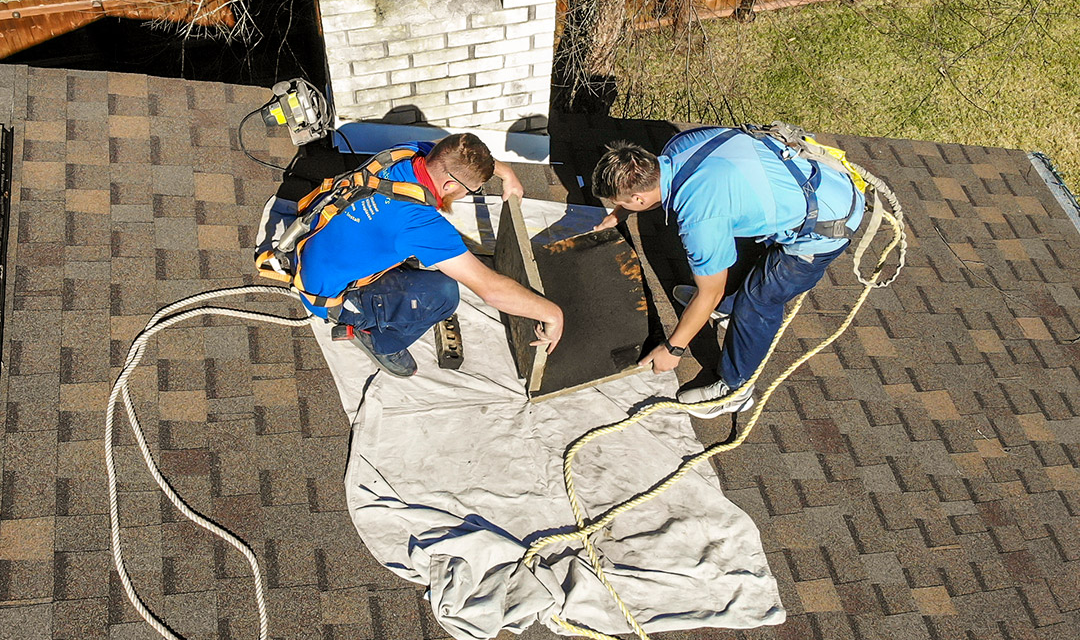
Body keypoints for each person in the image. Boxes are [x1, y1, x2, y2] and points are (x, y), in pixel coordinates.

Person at [590, 126, 865, 416]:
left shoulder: (699, 216)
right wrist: (622, 209)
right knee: (728, 262)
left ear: (639, 199)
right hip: (821, 183)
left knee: (758, 301)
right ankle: (725, 308)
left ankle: (735, 389)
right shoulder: (679, 144)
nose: (617, 208)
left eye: (618, 202)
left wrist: (673, 349)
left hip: (828, 226)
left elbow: (710, 291)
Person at [280, 132, 563, 378]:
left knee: (406, 253)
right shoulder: (420, 225)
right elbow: (491, 290)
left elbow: (455, 154)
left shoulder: (407, 154)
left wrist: (507, 174)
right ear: (451, 186)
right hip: (330, 296)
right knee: (443, 293)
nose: (471, 194)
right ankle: (380, 342)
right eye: (473, 190)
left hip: (313, 246)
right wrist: (553, 314)